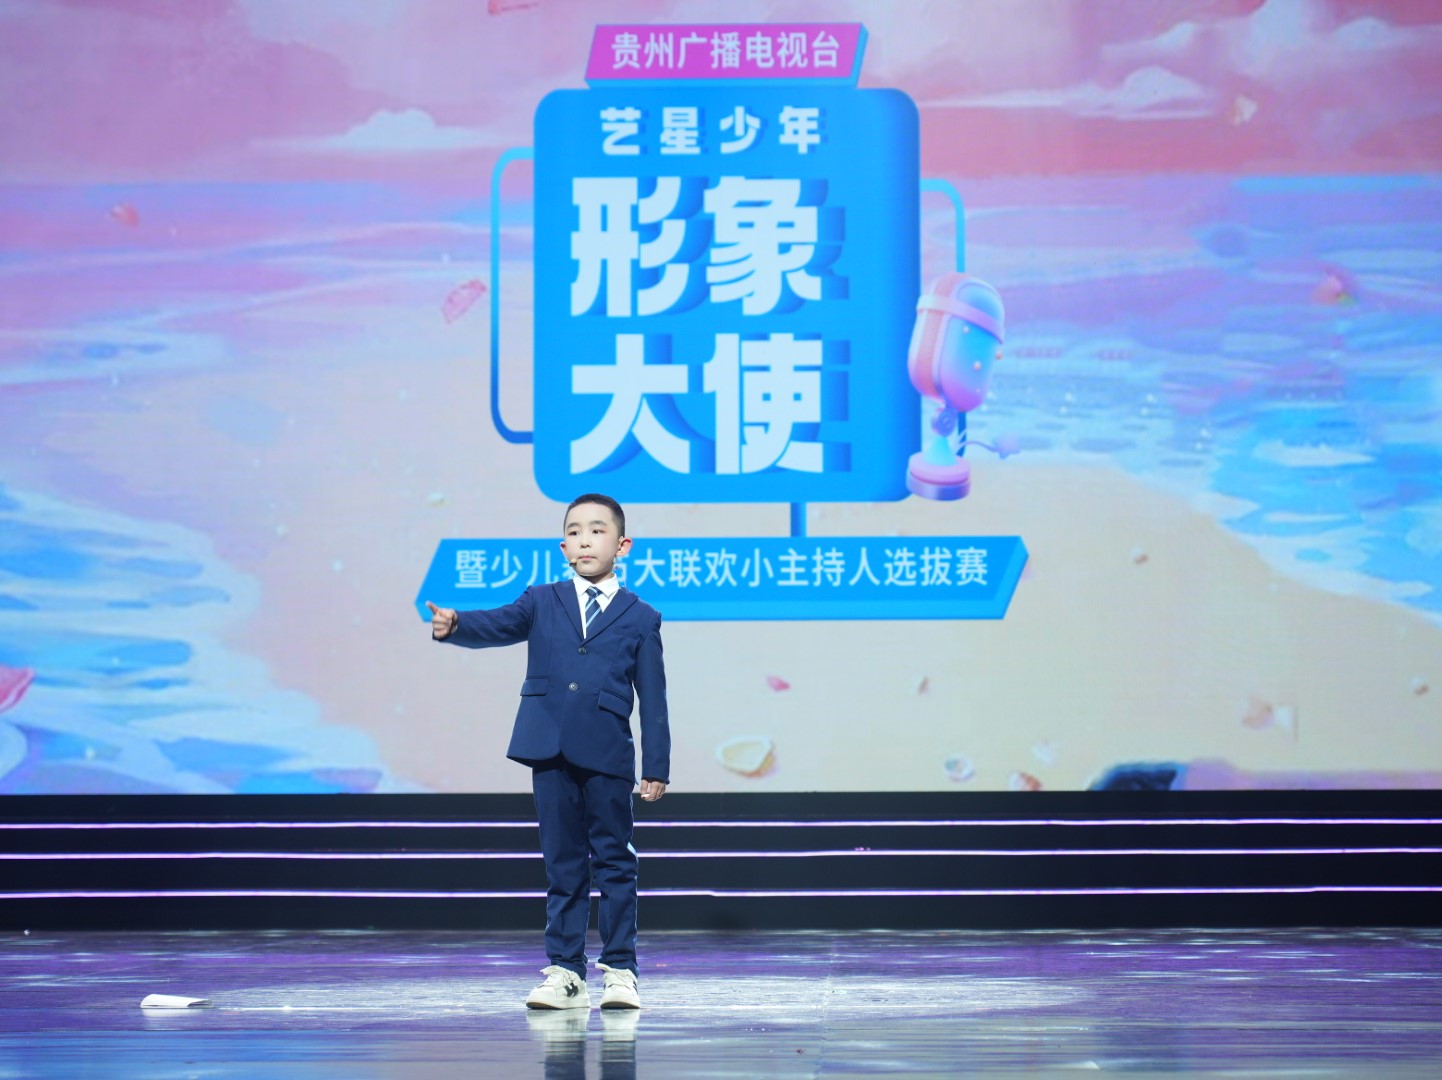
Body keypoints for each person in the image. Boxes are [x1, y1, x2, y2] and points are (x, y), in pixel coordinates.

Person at [425, 493, 669, 1011]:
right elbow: (500, 623)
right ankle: (566, 973)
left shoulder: (642, 616)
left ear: (622, 545)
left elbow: (653, 697)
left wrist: (657, 765)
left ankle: (621, 971)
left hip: (607, 751)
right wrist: (457, 624)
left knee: (615, 863)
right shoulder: (541, 599)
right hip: (549, 746)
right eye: (574, 531)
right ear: (563, 547)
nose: (585, 540)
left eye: (597, 530)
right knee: (563, 864)